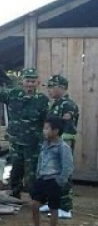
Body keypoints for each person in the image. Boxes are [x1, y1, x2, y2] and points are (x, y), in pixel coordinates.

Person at [0, 69, 49, 198]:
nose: (30, 84)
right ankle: (14, 195)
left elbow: (46, 121)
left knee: (32, 172)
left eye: (33, 81)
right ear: (22, 81)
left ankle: (36, 199)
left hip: (33, 143)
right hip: (16, 141)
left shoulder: (42, 100)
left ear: (37, 82)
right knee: (15, 169)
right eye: (28, 81)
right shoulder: (13, 94)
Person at [22, 116, 74, 226]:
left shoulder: (63, 147)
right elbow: (41, 160)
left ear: (56, 131)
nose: (44, 131)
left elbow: (67, 167)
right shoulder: (45, 144)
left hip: (53, 181)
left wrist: (59, 181)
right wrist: (39, 174)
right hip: (42, 179)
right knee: (34, 204)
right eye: (44, 128)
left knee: (53, 207)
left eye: (47, 128)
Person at [45, 74, 79, 213]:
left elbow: (68, 130)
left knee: (64, 173)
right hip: (53, 144)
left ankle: (65, 207)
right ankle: (53, 203)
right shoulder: (56, 104)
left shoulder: (68, 105)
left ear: (63, 87)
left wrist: (63, 147)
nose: (49, 90)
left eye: (52, 87)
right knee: (52, 173)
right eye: (49, 87)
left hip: (63, 144)